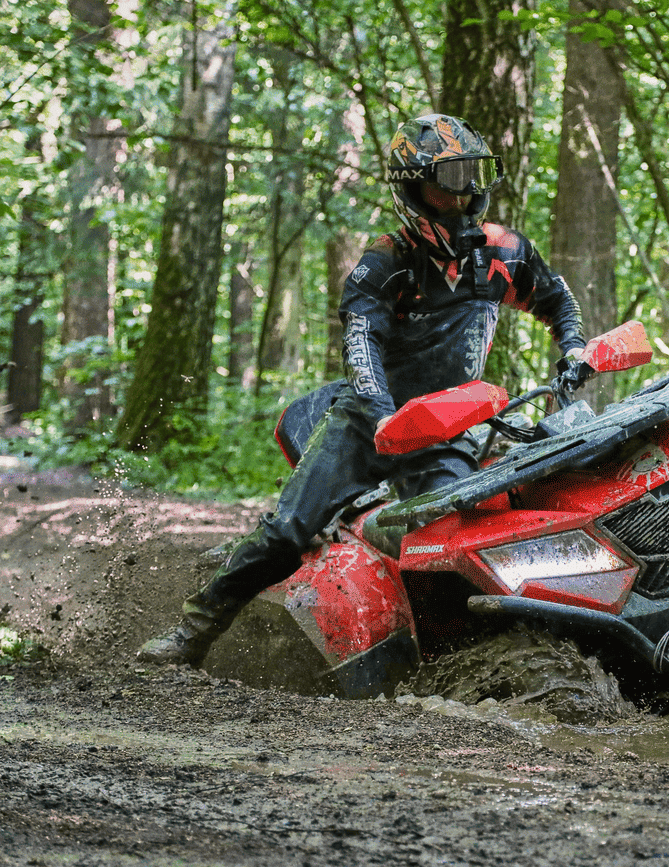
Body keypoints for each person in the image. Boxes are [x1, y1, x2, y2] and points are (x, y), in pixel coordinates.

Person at [138, 113, 588, 667]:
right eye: (447, 182)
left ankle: (451, 660)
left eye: (472, 176)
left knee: (455, 540)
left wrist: (574, 350)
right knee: (287, 532)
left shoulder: (504, 250)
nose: (462, 194)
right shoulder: (384, 262)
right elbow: (360, 345)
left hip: (446, 424)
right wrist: (381, 416)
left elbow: (557, 300)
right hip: (365, 423)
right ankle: (192, 634)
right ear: (413, 190)